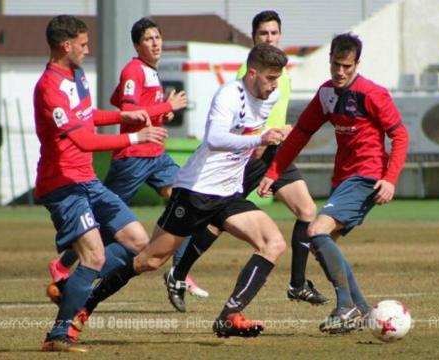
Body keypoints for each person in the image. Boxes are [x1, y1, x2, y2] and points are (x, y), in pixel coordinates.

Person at [79, 43, 288, 338]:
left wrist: (271, 143)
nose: (274, 85)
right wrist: (259, 139)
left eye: (277, 78)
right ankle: (84, 306)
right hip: (197, 191)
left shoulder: (271, 96)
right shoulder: (229, 95)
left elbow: (250, 141)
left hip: (228, 194)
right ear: (252, 73)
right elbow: (215, 139)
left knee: (274, 243)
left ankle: (230, 315)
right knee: (148, 260)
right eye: (269, 78)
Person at [162, 10, 326, 314]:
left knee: (307, 210)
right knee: (217, 221)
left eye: (274, 33)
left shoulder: (282, 72)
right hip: (251, 155)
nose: (269, 38)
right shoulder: (247, 73)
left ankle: (298, 283)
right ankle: (178, 273)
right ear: (254, 39)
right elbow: (243, 123)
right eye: (263, 34)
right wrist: (258, 146)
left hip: (275, 150)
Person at [45, 17, 208, 304]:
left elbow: (119, 99)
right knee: (102, 221)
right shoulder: (134, 70)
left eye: (158, 37)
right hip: (133, 158)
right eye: (149, 39)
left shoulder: (150, 71)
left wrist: (160, 113)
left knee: (186, 201)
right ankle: (63, 265)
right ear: (137, 45)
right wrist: (166, 106)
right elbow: (129, 107)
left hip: (155, 154)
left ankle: (179, 274)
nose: (155, 43)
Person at [258, 33, 409, 334]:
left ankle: (345, 306)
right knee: (321, 245)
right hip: (342, 180)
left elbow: (400, 136)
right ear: (329, 60)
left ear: (357, 65)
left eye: (347, 66)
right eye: (336, 65)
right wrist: (274, 171)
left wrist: (390, 179)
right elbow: (300, 133)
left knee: (315, 230)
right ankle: (363, 311)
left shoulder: (372, 94)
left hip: (366, 177)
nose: (340, 72)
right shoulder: (326, 94)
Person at [34, 15, 167, 352]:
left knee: (138, 241)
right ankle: (58, 335)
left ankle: (71, 286)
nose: (88, 49)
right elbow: (83, 140)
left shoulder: (77, 75)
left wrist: (124, 116)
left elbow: (87, 115)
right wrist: (135, 137)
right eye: (83, 44)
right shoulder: (48, 88)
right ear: (66, 46)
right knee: (93, 257)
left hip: (87, 180)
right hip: (62, 185)